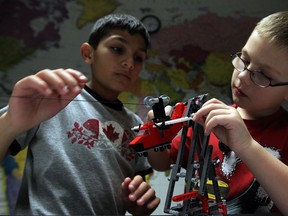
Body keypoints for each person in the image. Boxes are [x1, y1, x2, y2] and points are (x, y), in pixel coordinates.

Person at [0, 14, 160, 215]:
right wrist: (10, 124)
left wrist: (139, 202)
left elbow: (136, 190)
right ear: (88, 53)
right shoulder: (52, 100)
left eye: (139, 58)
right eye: (117, 49)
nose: (129, 63)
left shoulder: (136, 124)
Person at [148, 11, 288, 214]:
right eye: (244, 60)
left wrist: (247, 146)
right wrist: (157, 134)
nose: (243, 77)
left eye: (263, 75)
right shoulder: (209, 118)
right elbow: (160, 163)